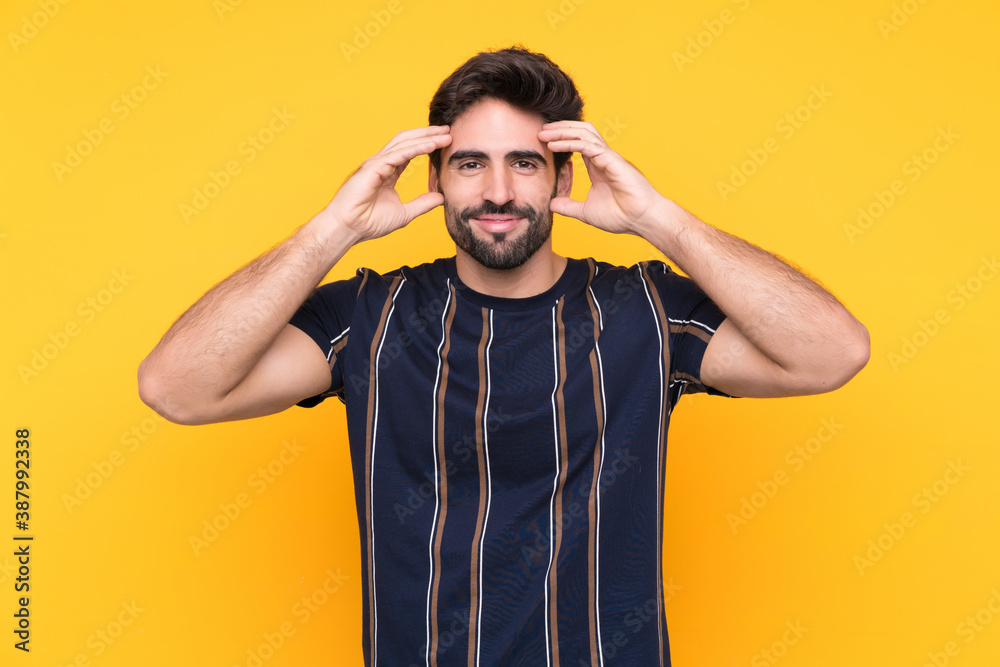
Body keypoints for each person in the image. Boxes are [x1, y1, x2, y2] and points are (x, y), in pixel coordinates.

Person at [138, 46, 869, 666]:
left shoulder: (647, 311)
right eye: (469, 164)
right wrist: (335, 228)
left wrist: (659, 219)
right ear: (435, 180)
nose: (497, 191)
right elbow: (177, 388)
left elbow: (831, 353)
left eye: (525, 163)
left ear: (562, 179)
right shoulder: (369, 316)